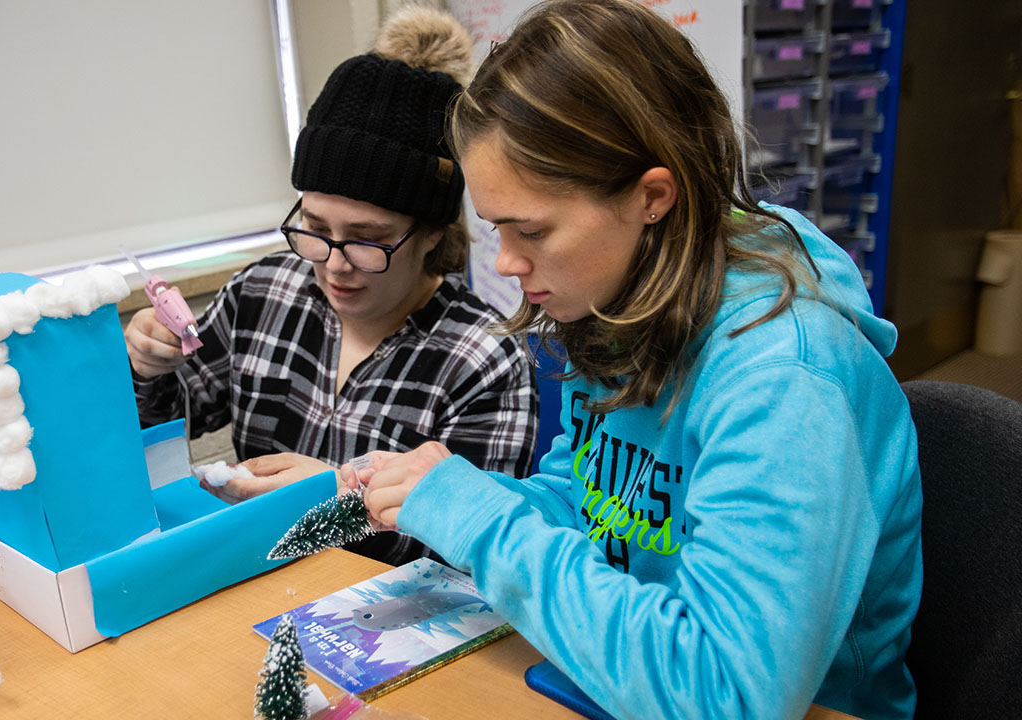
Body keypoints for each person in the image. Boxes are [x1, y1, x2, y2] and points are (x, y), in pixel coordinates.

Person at [353, 1, 923, 718]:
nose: (504, 260)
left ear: (651, 198)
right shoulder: (624, 302)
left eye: (530, 228)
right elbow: (588, 509)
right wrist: (459, 495)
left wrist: (484, 524)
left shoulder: (785, 381)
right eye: (496, 227)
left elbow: (729, 694)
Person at [124, 7, 538, 566]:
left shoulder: (482, 360)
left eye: (368, 240)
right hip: (257, 580)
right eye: (315, 230)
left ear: (431, 236)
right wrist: (149, 369)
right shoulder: (262, 294)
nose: (335, 266)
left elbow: (470, 557)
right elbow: (169, 426)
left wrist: (339, 495)